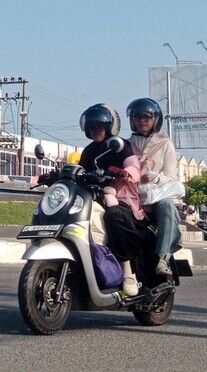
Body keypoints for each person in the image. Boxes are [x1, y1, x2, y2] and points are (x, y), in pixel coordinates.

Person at [78, 103, 146, 297]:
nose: (95, 131)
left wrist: (126, 172)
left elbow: (134, 167)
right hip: (94, 198)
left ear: (109, 127)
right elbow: (80, 170)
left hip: (123, 197)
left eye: (99, 127)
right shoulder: (89, 151)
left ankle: (127, 271)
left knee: (113, 215)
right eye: (91, 127)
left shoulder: (120, 146)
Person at [126, 97, 181, 277]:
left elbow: (171, 176)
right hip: (130, 196)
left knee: (167, 206)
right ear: (132, 120)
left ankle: (162, 258)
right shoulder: (127, 144)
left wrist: (155, 178)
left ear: (155, 120)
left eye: (147, 117)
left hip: (155, 196)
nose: (142, 121)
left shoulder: (165, 144)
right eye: (138, 117)